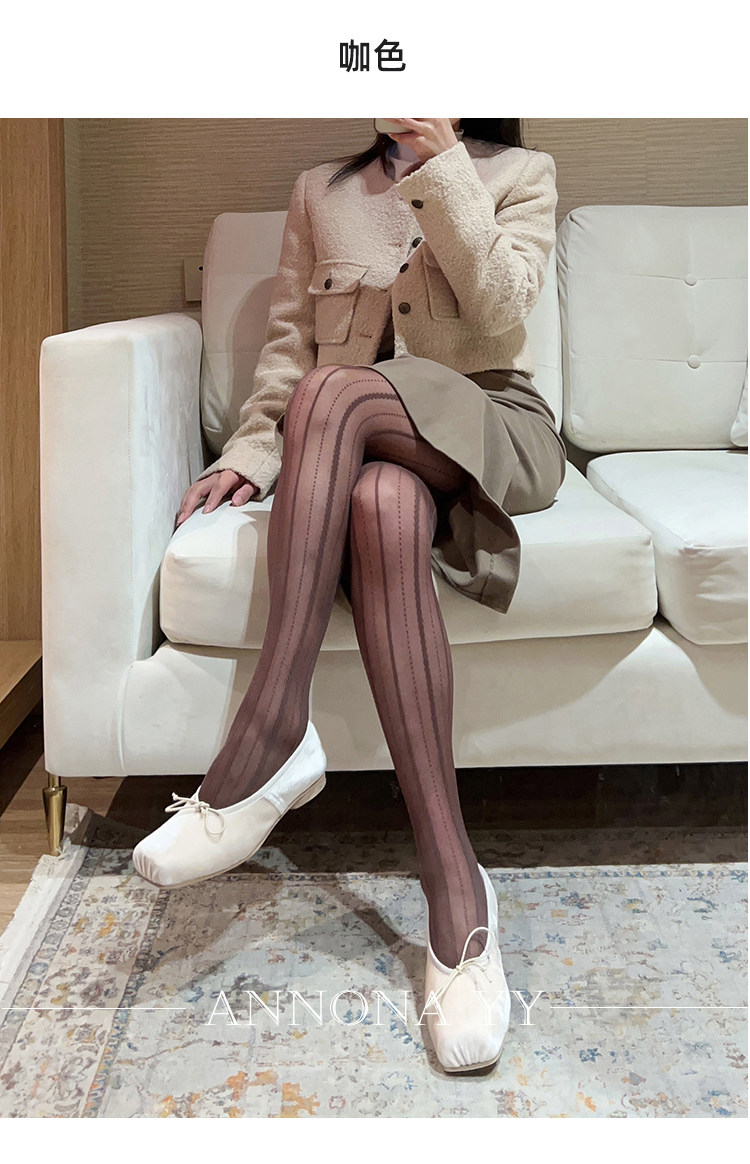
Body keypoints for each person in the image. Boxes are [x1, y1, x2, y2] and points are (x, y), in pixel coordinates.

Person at [132, 118, 567, 1074]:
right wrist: (253, 453)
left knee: (335, 392)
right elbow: (289, 348)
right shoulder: (319, 192)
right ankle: (456, 890)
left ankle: (271, 734)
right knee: (377, 498)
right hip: (369, 448)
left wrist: (442, 163)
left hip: (489, 422)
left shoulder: (518, 171)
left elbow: (503, 306)